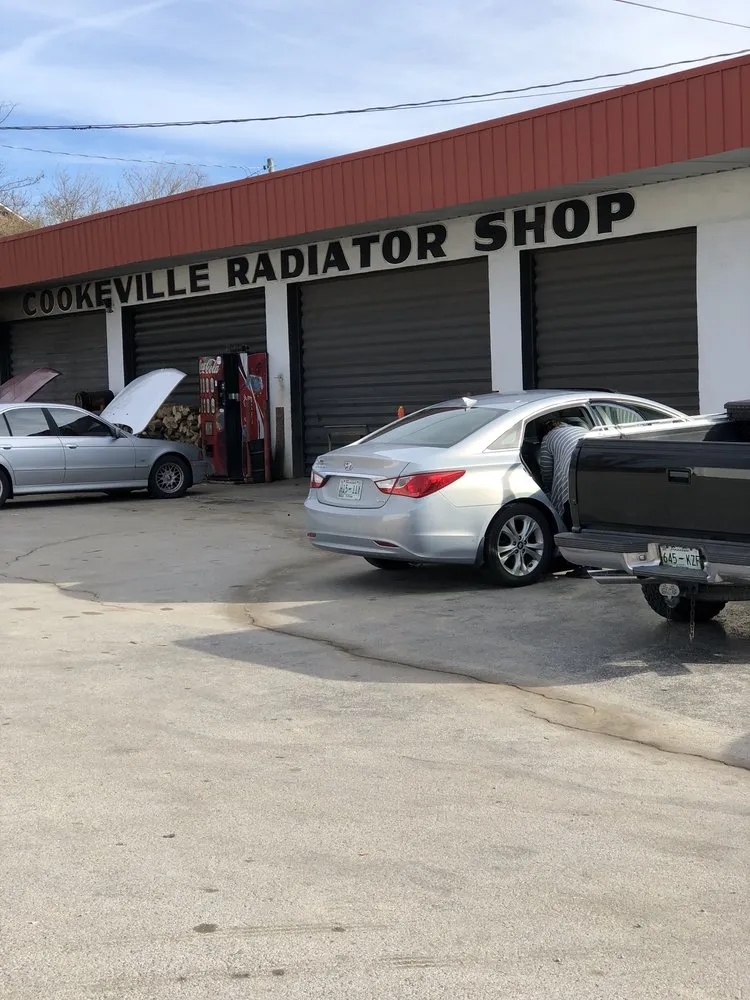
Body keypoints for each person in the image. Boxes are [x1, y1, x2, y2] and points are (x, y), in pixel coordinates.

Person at [538, 417, 589, 529]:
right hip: (596, 472)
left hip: (573, 475)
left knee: (572, 520)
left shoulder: (548, 439)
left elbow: (547, 473)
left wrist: (548, 490)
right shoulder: (580, 429)